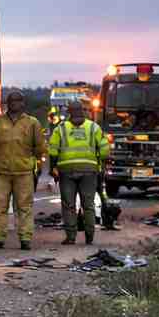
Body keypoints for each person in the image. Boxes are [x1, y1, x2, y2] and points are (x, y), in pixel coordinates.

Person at [0, 90, 45, 250]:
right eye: (12, 101)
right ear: (7, 103)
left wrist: (37, 164)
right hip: (0, 171)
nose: (15, 104)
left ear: (23, 103)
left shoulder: (32, 123)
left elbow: (40, 147)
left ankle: (25, 238)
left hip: (24, 172)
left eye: (18, 101)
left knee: (24, 206)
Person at [46, 98, 109, 245]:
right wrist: (101, 167)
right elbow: (105, 150)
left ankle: (71, 237)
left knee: (68, 204)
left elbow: (53, 151)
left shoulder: (60, 129)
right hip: (89, 171)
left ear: (69, 113)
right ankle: (89, 236)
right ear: (83, 111)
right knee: (88, 204)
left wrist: (52, 169)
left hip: (66, 171)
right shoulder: (94, 128)